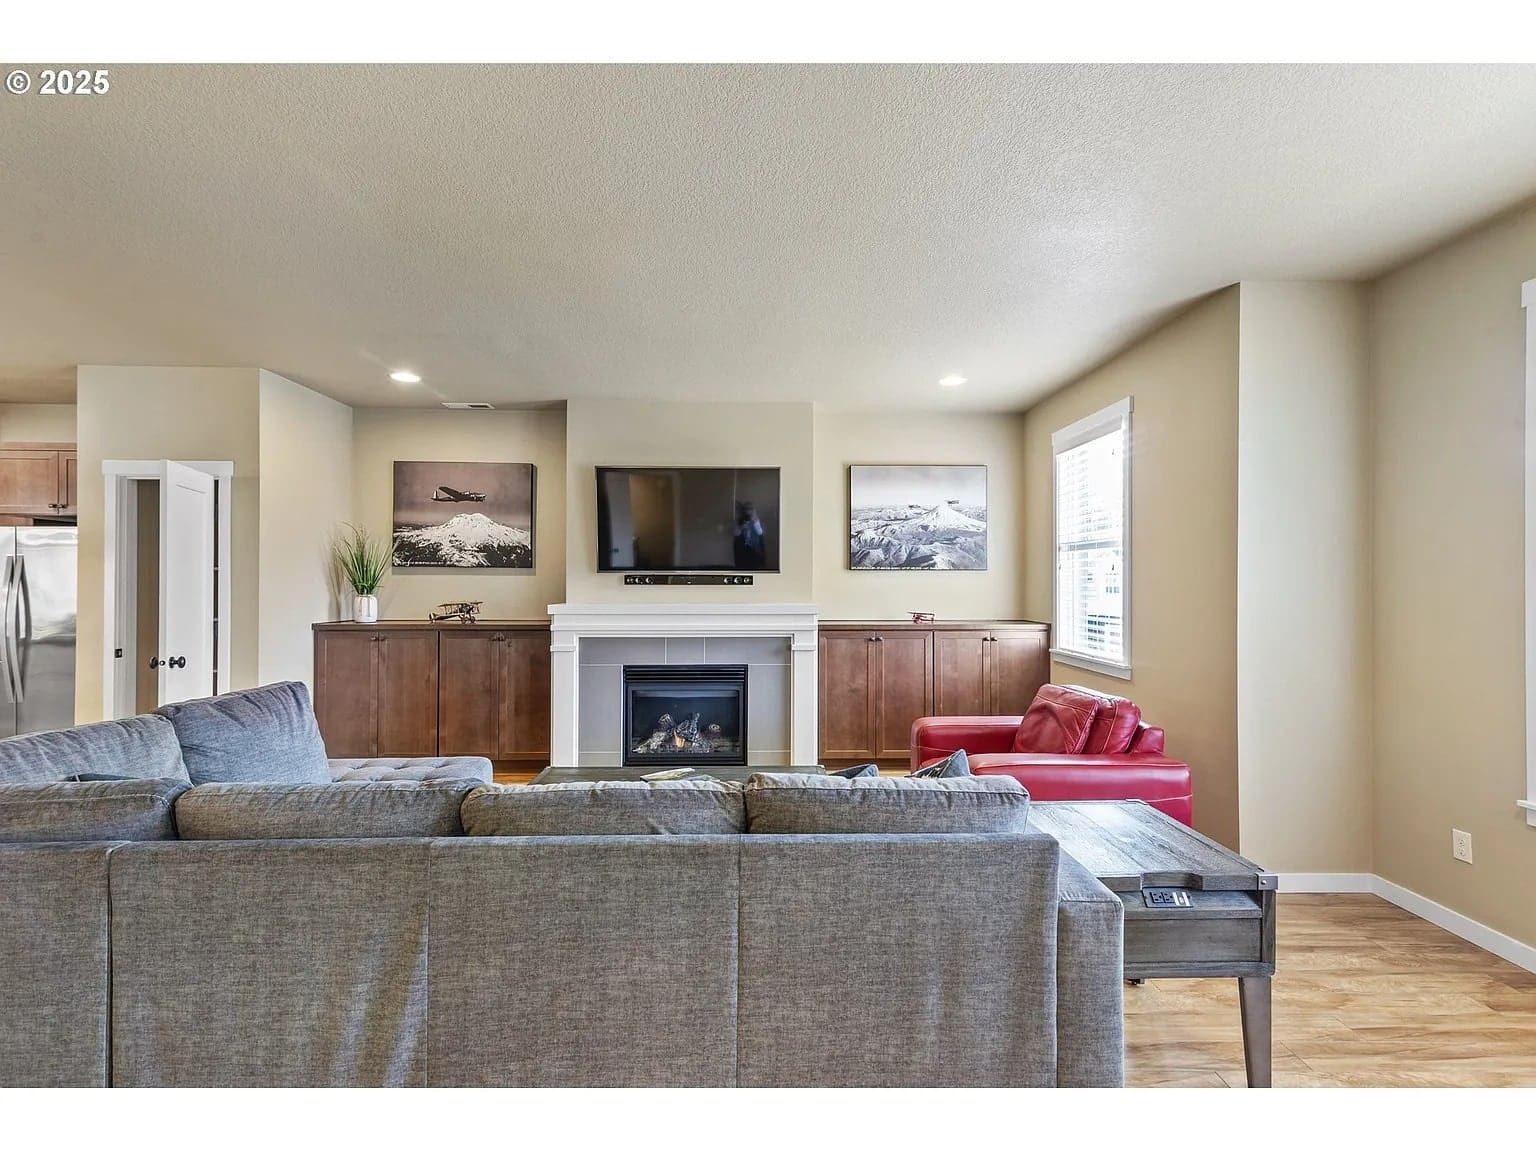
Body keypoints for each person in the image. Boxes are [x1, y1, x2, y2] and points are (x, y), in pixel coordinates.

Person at [733, 500, 767, 569]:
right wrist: (742, 527)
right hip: (742, 554)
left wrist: (755, 521)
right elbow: (735, 534)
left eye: (750, 509)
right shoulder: (739, 521)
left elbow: (761, 534)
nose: (748, 511)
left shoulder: (757, 521)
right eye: (746, 509)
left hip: (755, 554)